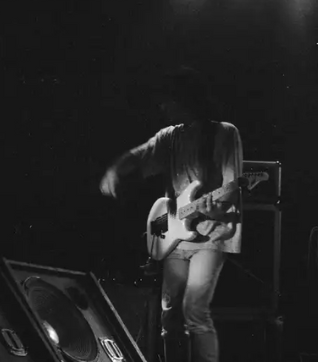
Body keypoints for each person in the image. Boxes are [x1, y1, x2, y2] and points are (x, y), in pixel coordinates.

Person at [100, 67, 244, 362]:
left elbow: (232, 188)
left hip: (212, 235)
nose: (162, 107)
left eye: (168, 101)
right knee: (169, 314)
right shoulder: (170, 137)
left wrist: (215, 205)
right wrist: (115, 170)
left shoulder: (224, 133)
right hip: (177, 235)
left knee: (195, 309)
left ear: (185, 100)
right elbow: (139, 154)